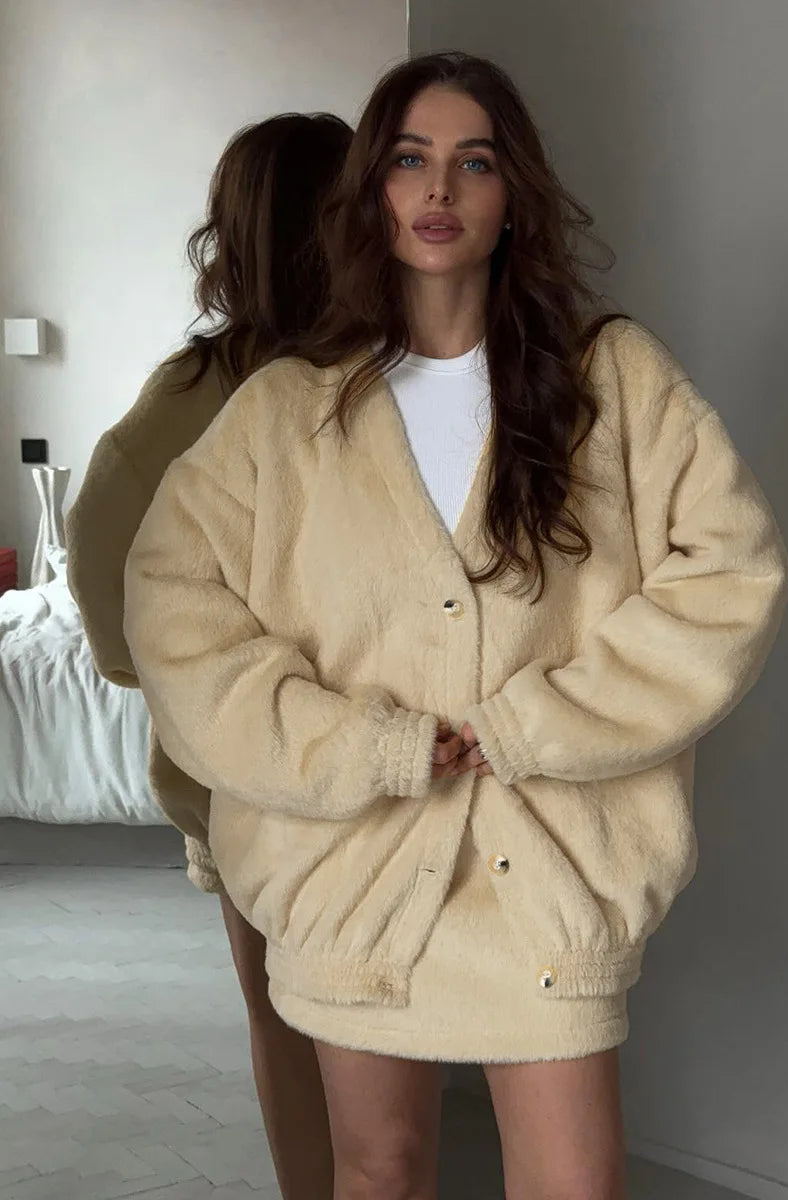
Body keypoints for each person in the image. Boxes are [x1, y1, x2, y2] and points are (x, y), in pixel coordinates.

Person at [121, 53, 788, 1200]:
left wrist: (544, 720)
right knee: (379, 1170)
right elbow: (172, 605)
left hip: (553, 873)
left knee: (574, 1179)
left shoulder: (611, 382)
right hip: (354, 871)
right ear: (372, 192)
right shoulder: (286, 411)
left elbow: (732, 568)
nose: (440, 190)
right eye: (408, 161)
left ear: (510, 192)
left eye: (472, 162)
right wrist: (355, 747)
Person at [65, 111, 353, 1200]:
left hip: (243, 784)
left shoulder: (191, 393)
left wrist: (176, 685)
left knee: (284, 1026)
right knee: (368, 1031)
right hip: (317, 776)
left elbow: (100, 557)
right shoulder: (379, 371)